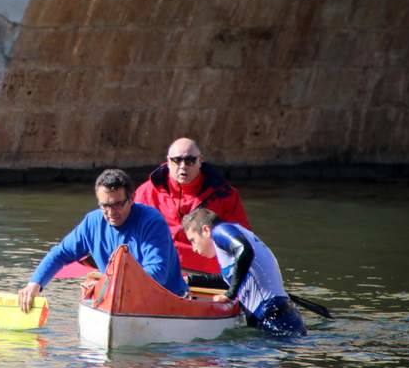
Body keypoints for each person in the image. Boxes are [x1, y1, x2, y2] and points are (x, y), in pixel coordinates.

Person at [18, 168, 188, 313]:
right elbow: (60, 254)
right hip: (117, 303)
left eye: (117, 204)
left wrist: (108, 281)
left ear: (131, 199)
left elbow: (158, 273)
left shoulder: (152, 221)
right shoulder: (92, 222)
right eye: (104, 206)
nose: (111, 212)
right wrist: (35, 283)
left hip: (167, 300)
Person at [182, 208, 306, 337]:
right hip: (278, 317)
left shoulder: (220, 231)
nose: (194, 249)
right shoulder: (233, 234)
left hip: (274, 317)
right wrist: (190, 280)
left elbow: (245, 250)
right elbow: (231, 280)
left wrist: (230, 295)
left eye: (193, 240)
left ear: (206, 230)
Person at [134, 137, 250, 275]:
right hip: (157, 269)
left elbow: (241, 239)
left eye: (189, 160)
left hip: (206, 275)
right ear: (168, 161)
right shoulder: (146, 191)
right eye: (176, 160)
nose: (183, 166)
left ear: (200, 161)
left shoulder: (225, 194)